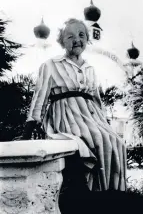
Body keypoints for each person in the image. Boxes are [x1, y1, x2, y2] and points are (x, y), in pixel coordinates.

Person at [23, 18, 126, 191]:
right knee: (92, 138)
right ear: (61, 41)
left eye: (81, 35)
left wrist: (104, 123)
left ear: (87, 39)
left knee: (116, 142)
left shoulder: (90, 69)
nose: (77, 39)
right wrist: (29, 127)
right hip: (66, 116)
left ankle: (109, 192)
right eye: (70, 36)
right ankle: (89, 191)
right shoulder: (50, 65)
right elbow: (39, 97)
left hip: (91, 116)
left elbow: (96, 100)